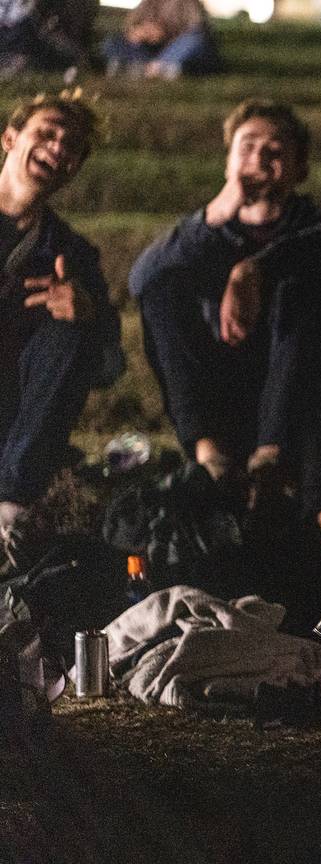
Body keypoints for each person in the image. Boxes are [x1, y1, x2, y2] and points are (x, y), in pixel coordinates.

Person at [129, 99, 321, 552]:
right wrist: (217, 212)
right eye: (247, 147)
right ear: (229, 161)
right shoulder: (203, 236)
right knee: (162, 289)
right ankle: (208, 453)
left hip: (297, 402)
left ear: (299, 169)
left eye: (275, 150)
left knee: (299, 289)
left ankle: (271, 460)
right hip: (219, 400)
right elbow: (142, 280)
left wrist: (253, 271)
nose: (259, 158)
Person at [0, 91, 121, 567]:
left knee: (77, 328)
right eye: (46, 133)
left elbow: (109, 366)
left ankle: (9, 507)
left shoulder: (72, 254)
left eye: (70, 147)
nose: (57, 147)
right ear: (10, 138)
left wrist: (87, 313)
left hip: (14, 414)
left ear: (73, 170)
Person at [102, 0, 222, 80]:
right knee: (114, 43)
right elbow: (131, 26)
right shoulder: (148, 2)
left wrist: (165, 35)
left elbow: (198, 30)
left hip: (178, 49)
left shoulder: (188, 3)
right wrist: (140, 33)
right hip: (153, 50)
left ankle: (151, 68)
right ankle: (153, 68)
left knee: (194, 41)